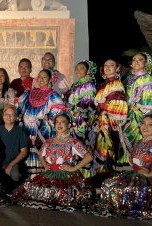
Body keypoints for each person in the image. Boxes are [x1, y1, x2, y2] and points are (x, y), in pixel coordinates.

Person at [11, 112, 93, 211]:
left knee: (61, 192)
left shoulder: (73, 142)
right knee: (32, 188)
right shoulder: (48, 141)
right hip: (49, 174)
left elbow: (88, 157)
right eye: (57, 122)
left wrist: (73, 168)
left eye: (63, 122)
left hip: (67, 176)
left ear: (69, 125)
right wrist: (45, 165)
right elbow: (41, 154)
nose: (59, 124)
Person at [92, 114, 152, 218]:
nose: (145, 127)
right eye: (143, 123)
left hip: (146, 181)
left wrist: (149, 173)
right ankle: (100, 192)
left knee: (123, 191)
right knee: (108, 183)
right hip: (133, 176)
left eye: (150, 125)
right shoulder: (139, 142)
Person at [17, 69, 67, 178]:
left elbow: (59, 109)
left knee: (41, 153)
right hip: (27, 129)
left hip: (42, 130)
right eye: (40, 77)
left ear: (50, 80)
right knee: (28, 153)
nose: (41, 79)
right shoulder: (30, 93)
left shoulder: (52, 95)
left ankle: (43, 181)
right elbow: (20, 107)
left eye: (45, 77)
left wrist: (48, 117)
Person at [88, 59, 128, 188]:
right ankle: (98, 179)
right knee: (97, 148)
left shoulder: (116, 84)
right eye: (105, 65)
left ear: (117, 68)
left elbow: (119, 104)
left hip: (108, 122)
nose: (108, 67)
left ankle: (104, 181)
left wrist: (105, 113)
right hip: (99, 121)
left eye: (111, 65)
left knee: (105, 149)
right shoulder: (103, 85)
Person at [65, 60, 97, 178]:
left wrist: (79, 112)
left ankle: (84, 176)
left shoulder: (89, 85)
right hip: (73, 120)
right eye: (77, 68)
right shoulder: (75, 85)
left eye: (81, 68)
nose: (78, 71)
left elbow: (90, 105)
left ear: (88, 70)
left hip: (82, 122)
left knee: (82, 146)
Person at [0, 104, 28, 193]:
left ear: (16, 117)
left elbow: (24, 151)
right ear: (2, 116)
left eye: (12, 114)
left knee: (15, 175)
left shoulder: (20, 131)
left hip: (14, 163)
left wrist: (11, 164)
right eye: (6, 114)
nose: (8, 117)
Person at [123, 52, 152, 150]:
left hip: (139, 112)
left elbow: (148, 96)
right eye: (134, 59)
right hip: (128, 110)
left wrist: (138, 106)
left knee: (140, 134)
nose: (136, 61)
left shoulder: (147, 77)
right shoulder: (129, 78)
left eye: (140, 60)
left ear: (146, 63)